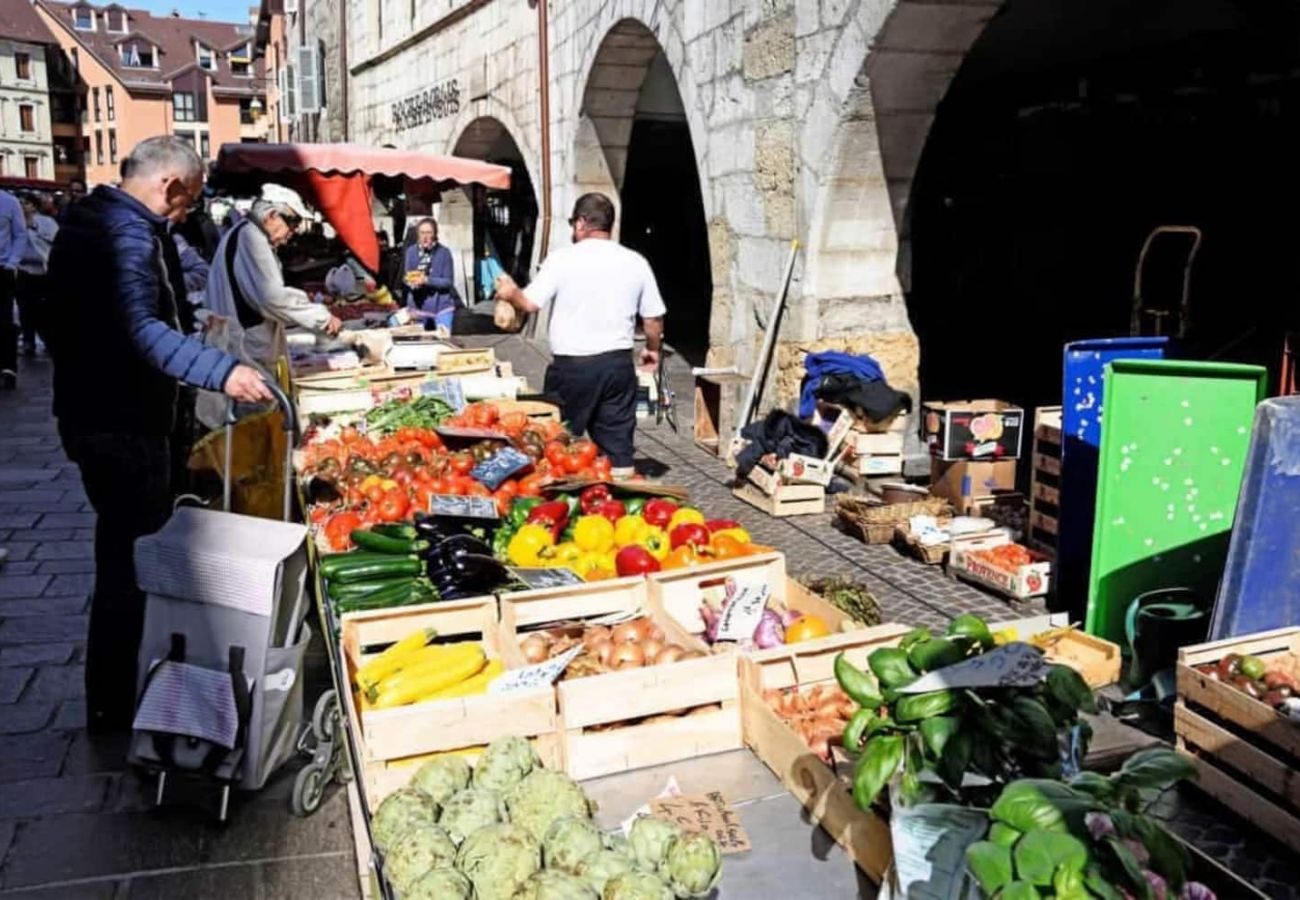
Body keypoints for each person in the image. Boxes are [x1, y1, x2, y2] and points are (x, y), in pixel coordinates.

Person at [46, 135, 274, 732]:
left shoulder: (98, 222)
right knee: (133, 564)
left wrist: (190, 320)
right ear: (170, 185)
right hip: (121, 423)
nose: (187, 214)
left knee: (123, 557)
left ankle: (118, 694)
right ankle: (123, 703)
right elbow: (140, 330)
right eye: (188, 202)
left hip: (99, 416)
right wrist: (222, 371)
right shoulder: (124, 233)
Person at [494, 192, 666, 478]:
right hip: (617, 366)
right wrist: (652, 349)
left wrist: (511, 292)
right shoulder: (636, 261)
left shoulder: (562, 259)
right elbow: (653, 318)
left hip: (572, 368)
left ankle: (560, 504)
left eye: (574, 222)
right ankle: (619, 503)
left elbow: (530, 303)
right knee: (618, 448)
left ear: (581, 223)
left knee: (556, 443)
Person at [204, 184, 342, 371]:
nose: (293, 232)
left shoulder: (247, 234)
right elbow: (271, 297)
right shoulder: (251, 237)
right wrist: (320, 317)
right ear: (272, 216)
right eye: (292, 222)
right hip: (247, 351)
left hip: (244, 345)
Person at [16, 195, 59, 356]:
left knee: (44, 309)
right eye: (20, 204)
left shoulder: (46, 222)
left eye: (25, 203)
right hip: (24, 270)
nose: (22, 207)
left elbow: (55, 239)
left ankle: (49, 339)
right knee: (25, 308)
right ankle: (28, 341)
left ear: (34, 206)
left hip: (43, 272)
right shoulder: (15, 223)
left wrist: (32, 227)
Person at [404, 217, 457, 331]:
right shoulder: (411, 252)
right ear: (418, 234)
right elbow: (407, 276)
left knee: (443, 342)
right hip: (417, 306)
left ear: (435, 234)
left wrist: (427, 280)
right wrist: (411, 282)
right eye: (422, 233)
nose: (425, 237)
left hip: (441, 306)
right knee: (417, 344)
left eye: (429, 232)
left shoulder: (444, 253)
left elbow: (448, 282)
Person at [0, 189, 28, 389]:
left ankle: (8, 366)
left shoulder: (9, 202)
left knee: (4, 319)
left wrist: (12, 263)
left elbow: (20, 234)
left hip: (2, 269)